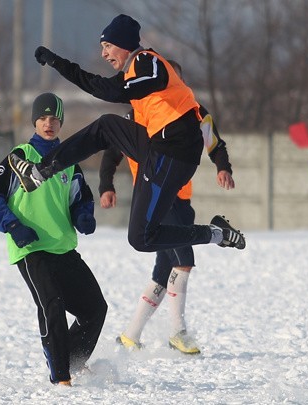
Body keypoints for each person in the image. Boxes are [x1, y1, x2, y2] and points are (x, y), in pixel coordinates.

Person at [7, 14, 245, 254]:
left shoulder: (147, 60)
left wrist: (222, 164)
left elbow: (151, 83)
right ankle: (40, 171)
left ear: (124, 44)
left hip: (176, 152)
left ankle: (216, 234)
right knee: (107, 126)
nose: (104, 54)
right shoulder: (130, 73)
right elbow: (98, 86)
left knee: (142, 239)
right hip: (157, 148)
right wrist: (57, 62)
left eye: (107, 46)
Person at [100, 61, 234, 353]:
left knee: (163, 269)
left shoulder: (195, 111)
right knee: (183, 259)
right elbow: (112, 152)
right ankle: (178, 332)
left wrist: (223, 167)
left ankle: (130, 335)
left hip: (182, 198)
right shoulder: (138, 112)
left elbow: (214, 142)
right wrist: (106, 185)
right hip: (156, 194)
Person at [0, 93, 107, 387]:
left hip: (62, 247)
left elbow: (81, 198)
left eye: (54, 118)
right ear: (34, 122)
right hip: (31, 248)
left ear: (61, 122)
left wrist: (83, 215)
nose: (48, 123)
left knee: (95, 309)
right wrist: (12, 225)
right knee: (52, 304)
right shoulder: (19, 157)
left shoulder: (70, 162)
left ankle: (74, 361)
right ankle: (61, 376)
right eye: (42, 118)